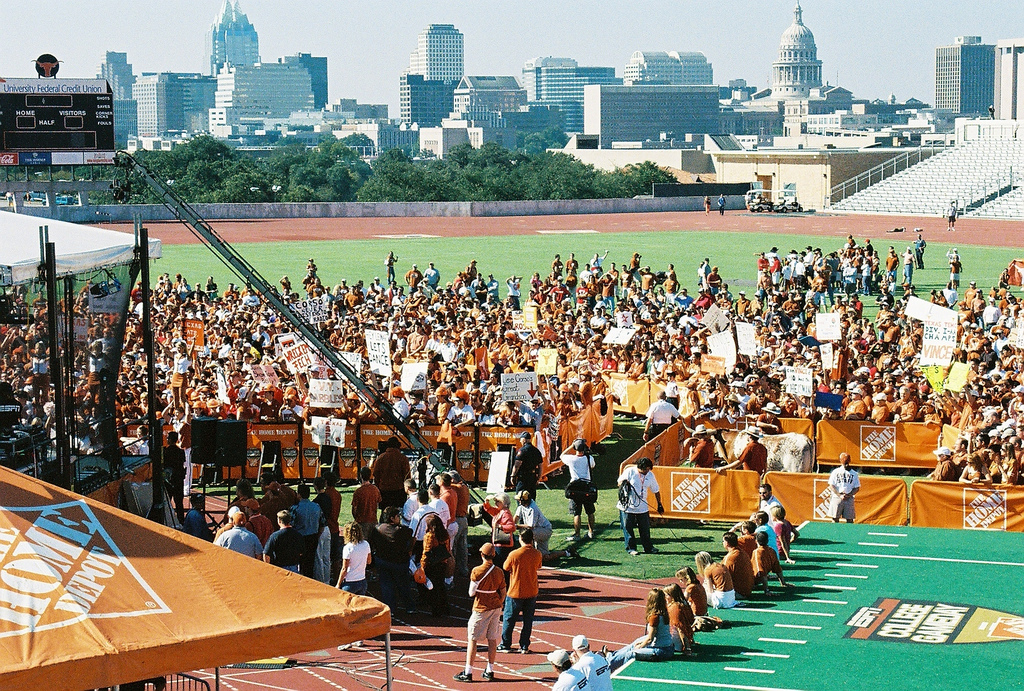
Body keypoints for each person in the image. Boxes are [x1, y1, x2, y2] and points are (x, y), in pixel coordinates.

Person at [455, 543, 506, 683]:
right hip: (496, 607)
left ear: (482, 555)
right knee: (492, 639)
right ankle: (489, 670)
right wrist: (498, 602)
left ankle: (468, 672)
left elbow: (471, 593)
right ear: (494, 555)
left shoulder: (477, 571)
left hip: (481, 608)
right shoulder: (499, 572)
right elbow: (503, 591)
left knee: (472, 639)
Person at [497, 528, 543, 654]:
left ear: (520, 539)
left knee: (509, 619)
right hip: (532, 590)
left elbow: (505, 567)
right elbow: (538, 566)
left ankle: (505, 644)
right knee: (528, 620)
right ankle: (524, 645)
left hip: (515, 591)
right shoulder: (537, 553)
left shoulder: (514, 554)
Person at [606, 588, 675, 670]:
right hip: (665, 645)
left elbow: (650, 639)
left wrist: (640, 646)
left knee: (630, 654)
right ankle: (611, 658)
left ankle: (609, 666)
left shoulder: (655, 617)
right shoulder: (664, 612)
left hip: (662, 650)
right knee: (634, 643)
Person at [372, 506, 415, 614]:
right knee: (403, 585)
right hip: (399, 562)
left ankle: (391, 608)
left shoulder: (378, 529)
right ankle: (409, 606)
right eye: (397, 516)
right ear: (392, 518)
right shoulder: (401, 530)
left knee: (386, 585)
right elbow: (410, 532)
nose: (399, 518)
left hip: (383, 560)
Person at [616, 457, 663, 556]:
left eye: (648, 469)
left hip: (642, 506)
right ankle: (631, 548)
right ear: (640, 467)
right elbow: (619, 482)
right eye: (645, 469)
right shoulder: (629, 471)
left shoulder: (650, 475)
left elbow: (656, 490)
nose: (647, 471)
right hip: (627, 506)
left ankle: (648, 548)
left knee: (645, 528)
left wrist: (659, 504)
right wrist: (625, 484)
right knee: (628, 528)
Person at [513, 491, 570, 561]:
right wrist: (511, 525)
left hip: (544, 530)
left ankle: (527, 554)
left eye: (519, 500)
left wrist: (517, 526)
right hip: (538, 530)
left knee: (526, 534)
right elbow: (516, 516)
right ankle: (567, 552)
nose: (518, 501)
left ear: (523, 500)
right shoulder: (522, 506)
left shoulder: (533, 509)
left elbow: (531, 526)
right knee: (545, 557)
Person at [561, 439, 597, 542]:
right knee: (590, 511)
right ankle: (591, 532)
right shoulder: (589, 458)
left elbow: (562, 455)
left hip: (575, 487)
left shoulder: (571, 459)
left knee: (577, 513)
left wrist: (571, 446)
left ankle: (577, 534)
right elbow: (593, 466)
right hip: (587, 487)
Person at [420, 513, 452, 616]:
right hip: (442, 562)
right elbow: (448, 549)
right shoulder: (445, 534)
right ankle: (445, 608)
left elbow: (426, 551)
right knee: (441, 586)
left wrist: (422, 566)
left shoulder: (429, 536)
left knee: (433, 588)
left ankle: (436, 610)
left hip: (432, 564)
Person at [292, 483, 323, 578]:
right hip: (313, 537)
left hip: (300, 538)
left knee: (300, 563)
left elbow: (291, 524)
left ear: (299, 494)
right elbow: (322, 523)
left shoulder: (295, 508)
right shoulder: (316, 506)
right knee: (310, 563)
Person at [372, 437, 411, 511]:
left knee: (385, 513)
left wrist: (378, 488)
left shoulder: (380, 458)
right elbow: (407, 476)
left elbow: (376, 475)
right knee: (398, 514)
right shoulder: (403, 458)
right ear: (398, 446)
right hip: (399, 492)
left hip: (384, 491)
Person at [336, 522, 372, 595]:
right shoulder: (366, 544)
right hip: (362, 581)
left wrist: (338, 584)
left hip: (349, 583)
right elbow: (369, 561)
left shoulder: (348, 548)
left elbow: (344, 569)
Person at [482, 493, 516, 565]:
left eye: (497, 501)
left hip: (503, 544)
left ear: (503, 502)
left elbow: (512, 527)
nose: (495, 503)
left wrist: (501, 527)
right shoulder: (499, 511)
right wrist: (487, 501)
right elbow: (488, 509)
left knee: (500, 564)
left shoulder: (506, 513)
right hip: (499, 543)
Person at [752, 530, 790, 595]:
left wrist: (766, 590)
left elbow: (760, 572)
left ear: (756, 541)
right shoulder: (771, 550)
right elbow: (777, 568)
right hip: (760, 580)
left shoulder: (757, 552)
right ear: (767, 541)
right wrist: (783, 582)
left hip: (753, 581)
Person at [662, 583, 695, 654]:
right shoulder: (684, 603)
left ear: (672, 595)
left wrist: (687, 648)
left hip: (674, 642)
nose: (664, 597)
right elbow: (690, 621)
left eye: (666, 595)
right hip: (676, 639)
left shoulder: (675, 608)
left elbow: (680, 629)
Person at [351, 466, 382, 541]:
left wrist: (356, 519)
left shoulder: (358, 491)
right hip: (373, 520)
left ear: (361, 475)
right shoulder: (375, 490)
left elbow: (354, 509)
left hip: (362, 521)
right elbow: (378, 504)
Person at [163, 430, 187, 524]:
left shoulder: (165, 451)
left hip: (169, 480)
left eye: (168, 438)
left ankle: (166, 520)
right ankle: (181, 520)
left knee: (167, 502)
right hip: (178, 480)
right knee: (179, 503)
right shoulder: (180, 452)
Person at [721, 532, 755, 599]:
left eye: (723, 541)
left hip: (737, 592)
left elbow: (723, 576)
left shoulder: (730, 557)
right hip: (747, 590)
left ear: (727, 543)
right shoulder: (742, 553)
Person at [829, 452, 860, 523]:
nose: (846, 464)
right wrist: (839, 495)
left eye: (847, 461)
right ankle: (834, 532)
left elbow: (857, 487)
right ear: (841, 461)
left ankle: (850, 533)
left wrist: (849, 495)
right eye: (844, 461)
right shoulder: (836, 472)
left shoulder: (854, 473)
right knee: (835, 518)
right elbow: (831, 485)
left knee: (850, 519)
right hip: (837, 497)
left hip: (848, 497)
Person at [511, 431, 543, 501]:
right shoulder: (536, 451)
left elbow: (517, 465)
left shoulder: (522, 451)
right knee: (531, 499)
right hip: (532, 477)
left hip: (523, 479)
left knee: (521, 497)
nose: (520, 441)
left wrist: (513, 476)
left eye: (521, 439)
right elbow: (540, 466)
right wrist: (539, 477)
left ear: (524, 439)